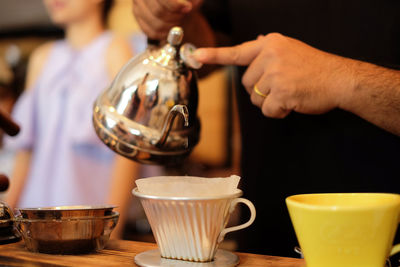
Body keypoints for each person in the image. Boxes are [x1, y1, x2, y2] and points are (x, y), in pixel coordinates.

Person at [131, 0, 400, 258]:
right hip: (267, 236)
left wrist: (341, 79)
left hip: (388, 241)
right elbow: (207, 46)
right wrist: (172, 17)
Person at [5, 0, 140, 238]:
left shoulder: (116, 50)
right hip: (35, 214)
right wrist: (7, 216)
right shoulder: (43, 57)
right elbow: (26, 150)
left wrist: (110, 231)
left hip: (87, 218)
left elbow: (127, 153)